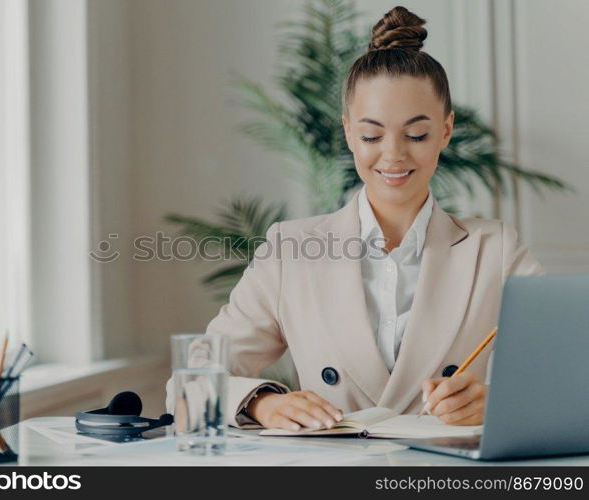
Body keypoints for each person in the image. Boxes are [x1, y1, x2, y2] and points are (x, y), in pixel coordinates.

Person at [166, 6, 543, 432]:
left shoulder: (493, 249)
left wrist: (495, 402)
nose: (394, 154)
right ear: (348, 133)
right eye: (371, 135)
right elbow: (190, 380)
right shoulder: (291, 249)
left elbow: (567, 371)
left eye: (417, 134)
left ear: (446, 130)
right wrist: (263, 405)